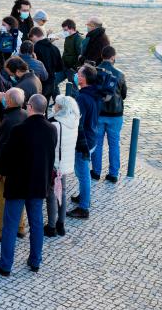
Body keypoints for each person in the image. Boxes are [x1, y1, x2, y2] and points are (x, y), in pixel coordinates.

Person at [0, 94, 56, 276]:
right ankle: (35, 261)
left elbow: (6, 154)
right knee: (36, 223)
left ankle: (5, 265)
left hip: (18, 184)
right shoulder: (51, 129)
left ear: (30, 107)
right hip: (38, 184)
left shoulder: (19, 130)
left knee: (10, 225)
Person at [0, 87, 28, 242]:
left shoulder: (8, 121)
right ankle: (20, 227)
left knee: (2, 199)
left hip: (8, 169)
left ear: (9, 101)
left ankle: (1, 231)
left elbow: (1, 150)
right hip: (23, 167)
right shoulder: (25, 115)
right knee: (19, 198)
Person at [68, 64, 103, 219]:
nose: (76, 75)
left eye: (78, 73)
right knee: (82, 172)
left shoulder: (82, 97)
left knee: (83, 174)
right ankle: (83, 196)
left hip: (83, 141)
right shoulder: (95, 93)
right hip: (92, 137)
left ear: (83, 78)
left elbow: (76, 120)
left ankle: (84, 208)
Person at [92, 46, 127, 183]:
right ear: (113, 57)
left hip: (99, 113)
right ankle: (113, 174)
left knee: (98, 143)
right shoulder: (120, 74)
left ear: (101, 56)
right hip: (116, 114)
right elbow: (123, 95)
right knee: (114, 144)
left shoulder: (94, 72)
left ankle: (96, 171)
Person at [46, 95, 79, 237]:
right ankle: (61, 223)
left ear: (61, 108)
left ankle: (52, 226)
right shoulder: (74, 122)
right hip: (65, 163)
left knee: (51, 195)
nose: (54, 107)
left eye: (56, 105)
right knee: (63, 192)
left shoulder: (55, 125)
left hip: (54, 165)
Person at [30, 26, 63, 101]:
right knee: (45, 106)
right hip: (52, 82)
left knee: (38, 107)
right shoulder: (55, 48)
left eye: (31, 38)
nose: (32, 41)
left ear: (35, 36)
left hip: (40, 83)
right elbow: (59, 68)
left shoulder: (35, 48)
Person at [60, 19, 84, 90]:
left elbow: (80, 56)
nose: (64, 32)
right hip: (64, 67)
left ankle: (78, 101)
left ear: (72, 28)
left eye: (65, 30)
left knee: (73, 89)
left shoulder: (78, 39)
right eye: (63, 30)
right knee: (54, 81)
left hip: (72, 69)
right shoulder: (67, 37)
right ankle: (56, 98)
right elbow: (66, 52)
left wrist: (74, 68)